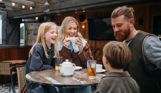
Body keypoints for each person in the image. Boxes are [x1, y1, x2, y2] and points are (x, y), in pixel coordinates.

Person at [111, 6, 161, 93]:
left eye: (119, 25)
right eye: (113, 26)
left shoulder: (148, 42)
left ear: (131, 22)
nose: (115, 29)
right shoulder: (123, 44)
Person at [58, 16, 93, 93]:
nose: (73, 31)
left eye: (75, 28)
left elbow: (90, 65)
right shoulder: (58, 44)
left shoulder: (83, 43)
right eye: (69, 28)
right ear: (64, 29)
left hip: (82, 80)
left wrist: (81, 51)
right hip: (64, 81)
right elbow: (58, 65)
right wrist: (65, 48)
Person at [25, 22, 59, 93]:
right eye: (52, 32)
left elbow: (55, 65)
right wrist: (49, 67)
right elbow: (37, 67)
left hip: (45, 80)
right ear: (43, 35)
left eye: (56, 33)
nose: (55, 35)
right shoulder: (38, 47)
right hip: (35, 81)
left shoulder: (52, 48)